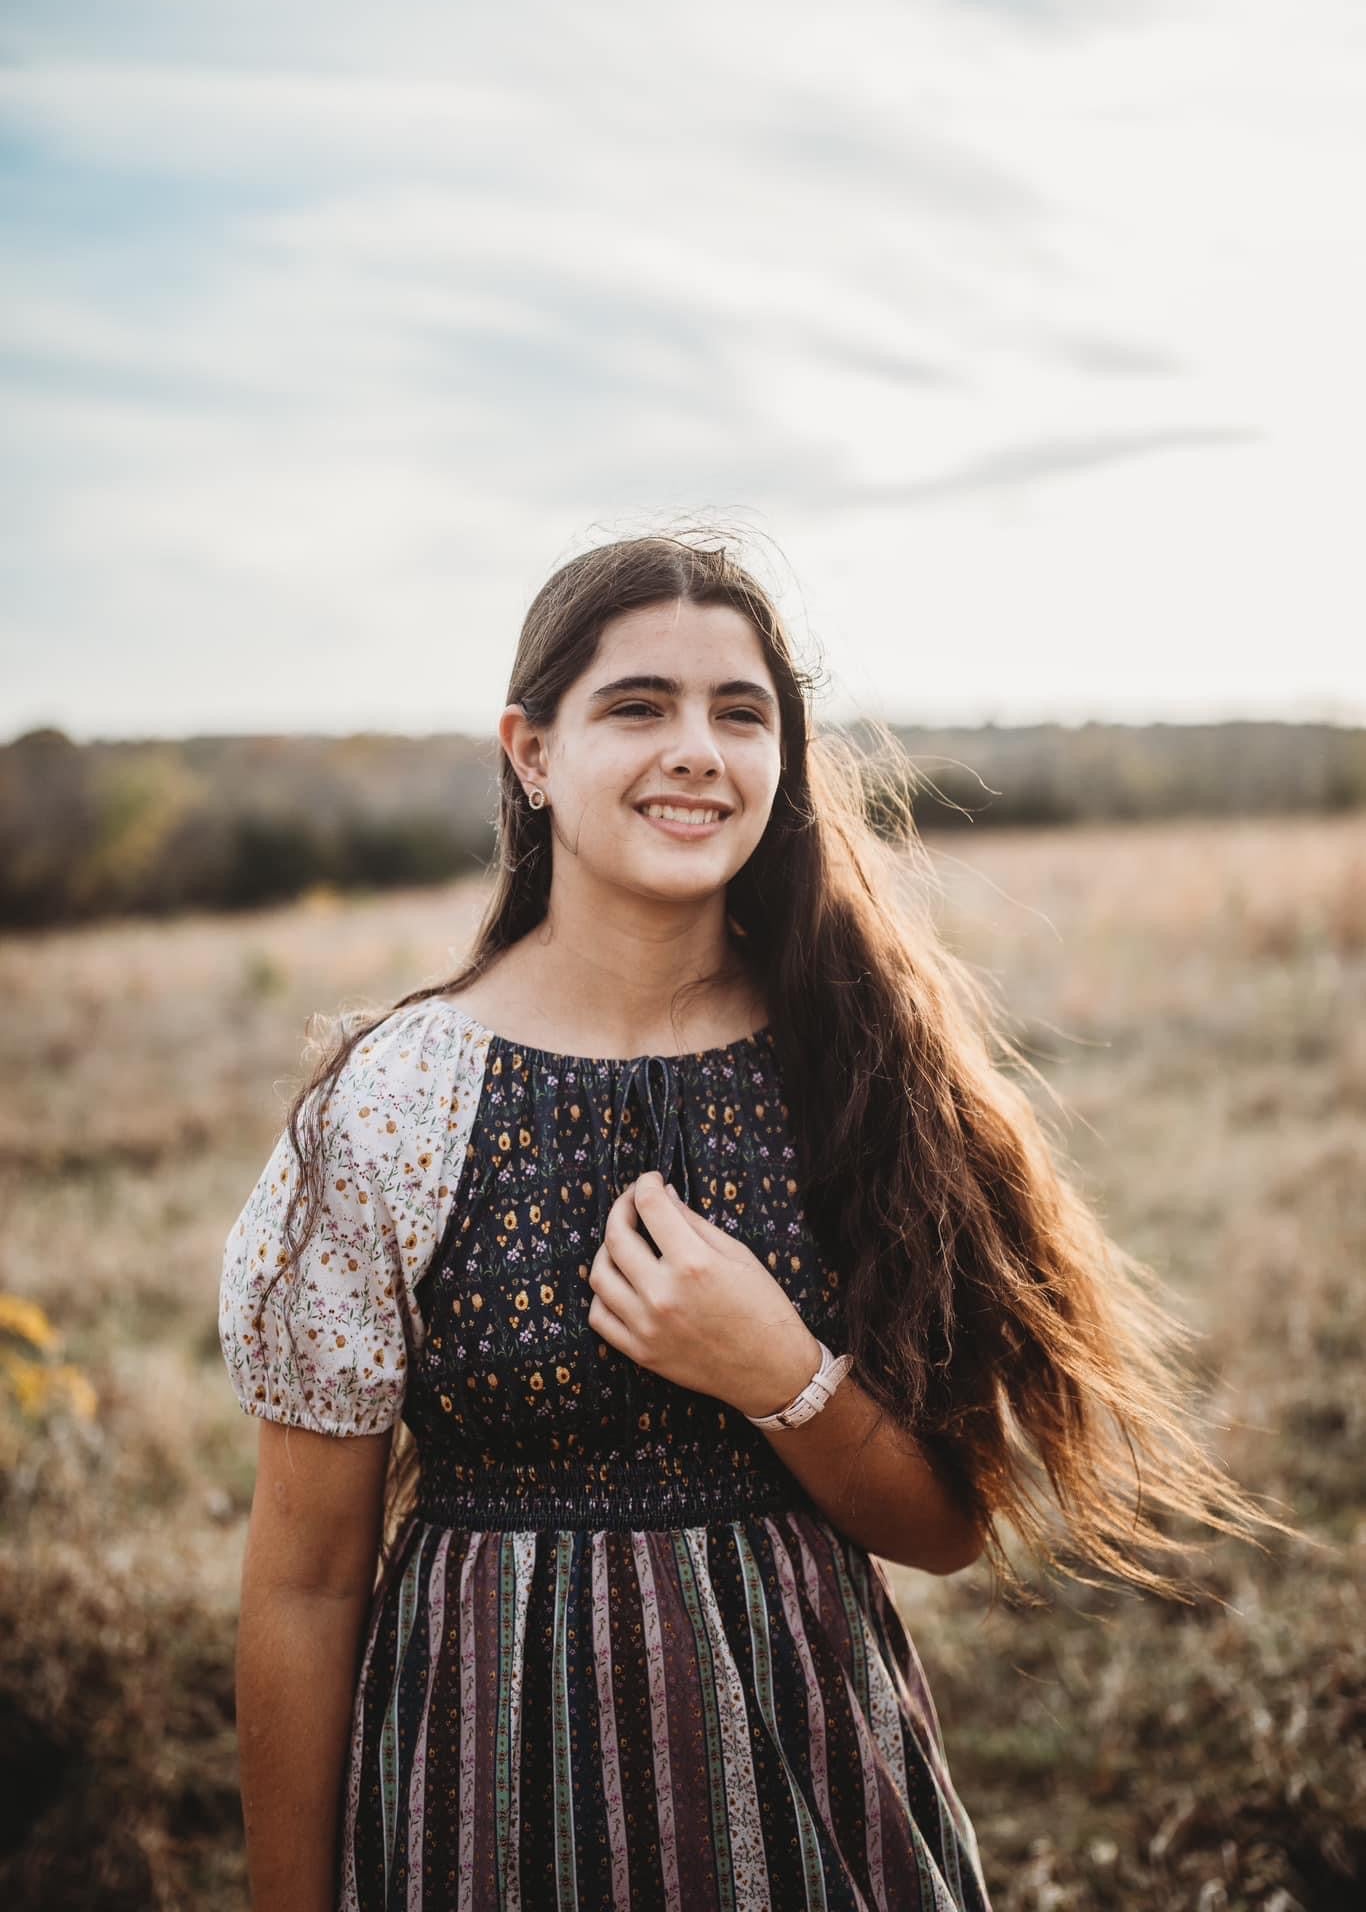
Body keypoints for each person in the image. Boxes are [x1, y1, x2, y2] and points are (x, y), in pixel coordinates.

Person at [219, 528, 1264, 1911]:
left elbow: (953, 1521)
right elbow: (302, 1579)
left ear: (782, 757)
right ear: (531, 753)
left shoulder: (855, 1064)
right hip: (482, 1800)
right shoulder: (393, 1104)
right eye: (637, 706)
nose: (697, 751)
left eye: (740, 712)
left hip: (805, 1788)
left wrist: (779, 1374)